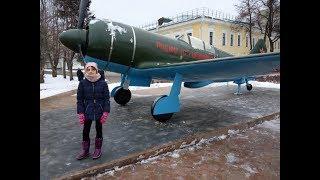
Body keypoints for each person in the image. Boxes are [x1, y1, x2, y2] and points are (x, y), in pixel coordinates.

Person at [76, 62, 110, 160]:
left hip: (99, 110)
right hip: (87, 110)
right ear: (85, 71)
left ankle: (98, 149)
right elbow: (79, 99)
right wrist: (81, 112)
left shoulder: (103, 83)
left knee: (99, 129)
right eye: (88, 69)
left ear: (96, 70)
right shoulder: (82, 83)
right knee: (85, 130)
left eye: (93, 69)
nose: (90, 71)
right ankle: (85, 150)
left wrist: (106, 112)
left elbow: (106, 99)